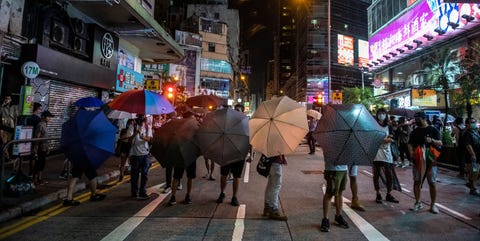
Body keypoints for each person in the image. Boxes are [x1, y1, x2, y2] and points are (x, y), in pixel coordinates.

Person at [408, 111, 442, 214]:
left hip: (431, 161)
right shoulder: (415, 131)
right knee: (417, 182)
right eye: (415, 119)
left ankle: (433, 205)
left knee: (432, 183)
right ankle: (418, 202)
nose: (416, 121)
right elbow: (410, 144)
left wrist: (431, 140)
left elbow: (440, 143)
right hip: (418, 161)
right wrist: (412, 154)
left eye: (418, 119)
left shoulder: (433, 130)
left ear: (423, 118)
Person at [216, 104, 249, 206]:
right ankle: (222, 193)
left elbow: (249, 138)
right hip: (226, 152)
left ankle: (234, 197)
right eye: (235, 110)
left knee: (236, 176)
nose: (236, 111)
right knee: (223, 175)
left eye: (238, 110)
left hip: (239, 153)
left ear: (242, 112)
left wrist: (251, 154)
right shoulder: (227, 122)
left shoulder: (246, 122)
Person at [168, 112, 199, 205]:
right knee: (182, 177)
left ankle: (180, 196)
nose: (193, 119)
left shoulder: (179, 127)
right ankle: (179, 196)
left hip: (184, 155)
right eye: (192, 117)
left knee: (181, 177)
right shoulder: (193, 128)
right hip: (186, 155)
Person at [373, 109, 399, 204]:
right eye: (379, 113)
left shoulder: (389, 126)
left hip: (387, 153)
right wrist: (383, 140)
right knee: (377, 174)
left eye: (383, 113)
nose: (381, 115)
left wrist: (389, 139)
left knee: (389, 174)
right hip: (376, 153)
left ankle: (389, 193)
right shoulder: (374, 126)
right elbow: (373, 138)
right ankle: (378, 194)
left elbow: (393, 137)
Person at [129, 115, 153, 200]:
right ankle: (134, 192)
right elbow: (129, 140)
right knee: (134, 175)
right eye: (140, 119)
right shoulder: (133, 126)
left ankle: (143, 191)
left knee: (144, 174)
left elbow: (150, 139)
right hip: (135, 155)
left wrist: (143, 137)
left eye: (143, 120)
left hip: (145, 154)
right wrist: (135, 133)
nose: (142, 121)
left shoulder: (147, 127)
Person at [321, 162, 349, 232]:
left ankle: (338, 216)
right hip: (333, 169)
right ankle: (325, 219)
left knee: (340, 193)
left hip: (344, 169)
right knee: (329, 194)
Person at [262, 154, 288, 221]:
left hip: (269, 163)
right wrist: (283, 157)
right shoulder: (277, 143)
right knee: (276, 186)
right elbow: (279, 149)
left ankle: (267, 207)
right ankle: (273, 209)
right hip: (276, 163)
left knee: (270, 185)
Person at [32, 111, 55, 185]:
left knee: (42, 164)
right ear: (43, 117)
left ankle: (39, 179)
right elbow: (37, 138)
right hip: (40, 148)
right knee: (38, 164)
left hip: (44, 148)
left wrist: (48, 148)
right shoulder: (40, 125)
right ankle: (35, 179)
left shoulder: (45, 124)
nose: (49, 119)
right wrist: (35, 150)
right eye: (48, 117)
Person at [462, 117, 480, 195]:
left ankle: (472, 185)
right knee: (474, 172)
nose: (473, 124)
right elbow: (468, 145)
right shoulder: (467, 134)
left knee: (476, 172)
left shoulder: (476, 132)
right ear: (467, 124)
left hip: (478, 155)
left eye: (474, 122)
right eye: (471, 122)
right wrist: (473, 154)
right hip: (472, 157)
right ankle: (473, 188)